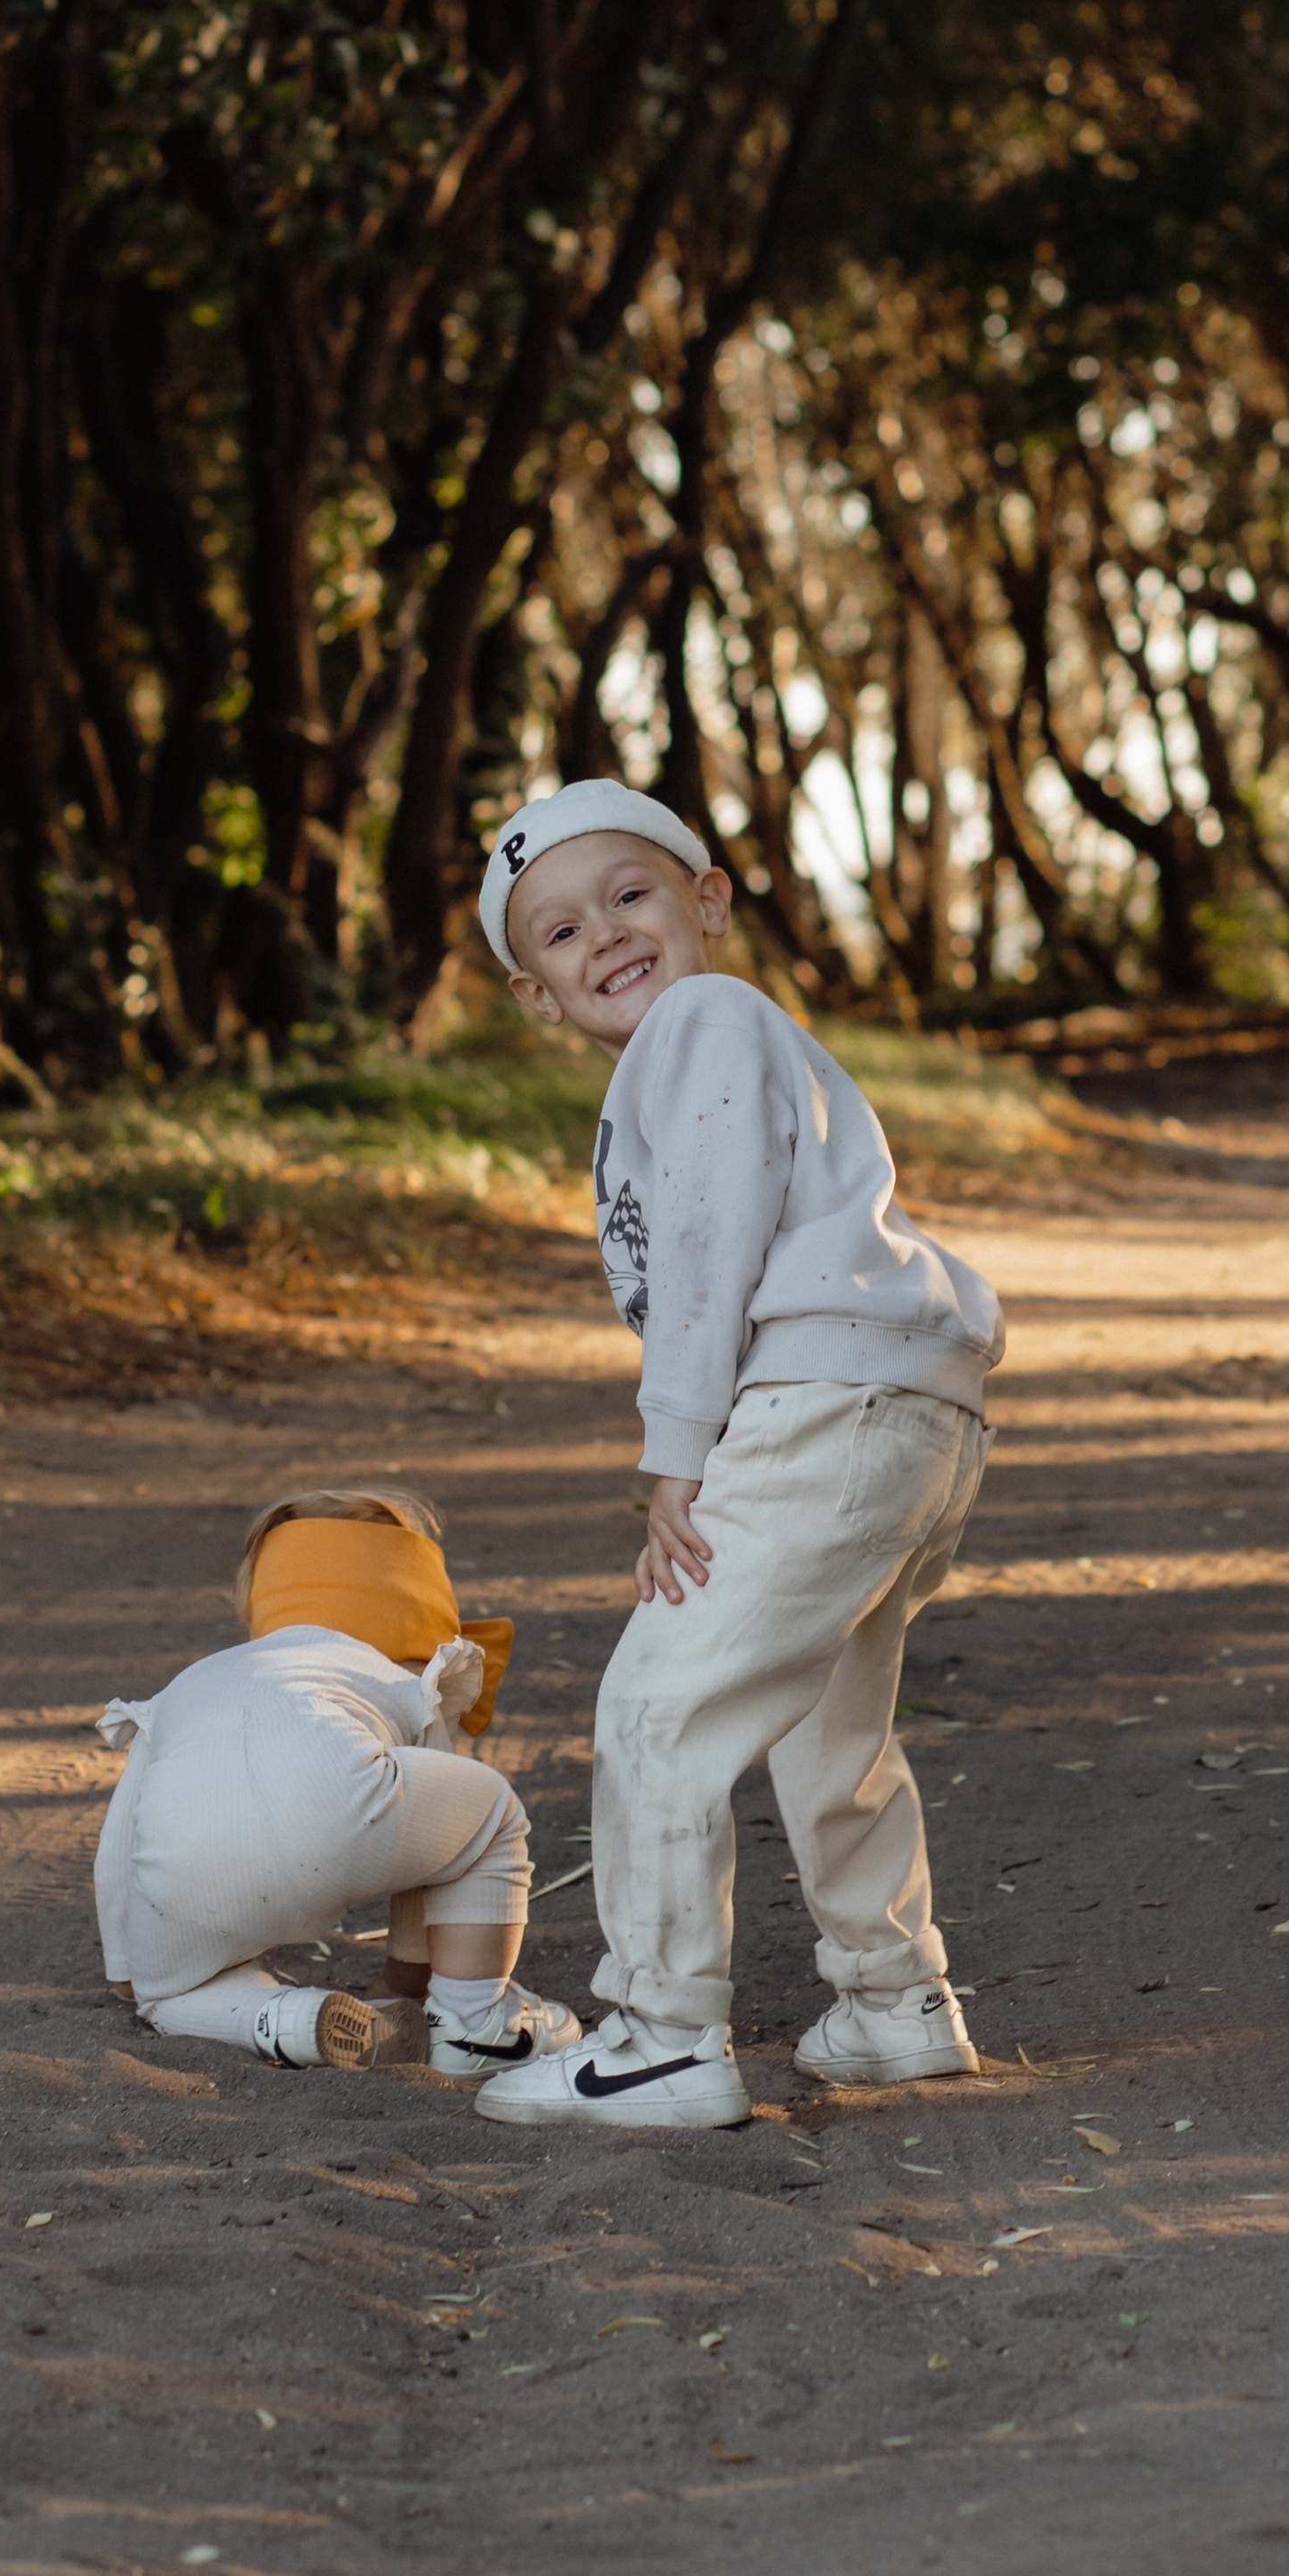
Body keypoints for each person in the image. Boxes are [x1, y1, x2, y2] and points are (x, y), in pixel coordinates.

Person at [468, 779, 1004, 2133]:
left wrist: (677, 1454)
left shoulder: (702, 1022)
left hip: (819, 1400)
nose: (604, 936)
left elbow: (709, 1246)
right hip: (907, 1414)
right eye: (560, 932)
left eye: (631, 894)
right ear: (536, 995)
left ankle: (657, 2037)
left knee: (660, 1702)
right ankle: (892, 2006)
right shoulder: (712, 1046)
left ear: (707, 899)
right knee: (832, 1727)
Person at [93, 1484, 581, 2079]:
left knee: (168, 1998)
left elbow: (118, 1843)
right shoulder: (391, 1678)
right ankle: (474, 2025)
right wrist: (404, 1980)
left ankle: (289, 2019)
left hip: (186, 1863)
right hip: (333, 1815)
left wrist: (128, 1967)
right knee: (487, 1816)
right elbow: (434, 1858)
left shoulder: (193, 1682)